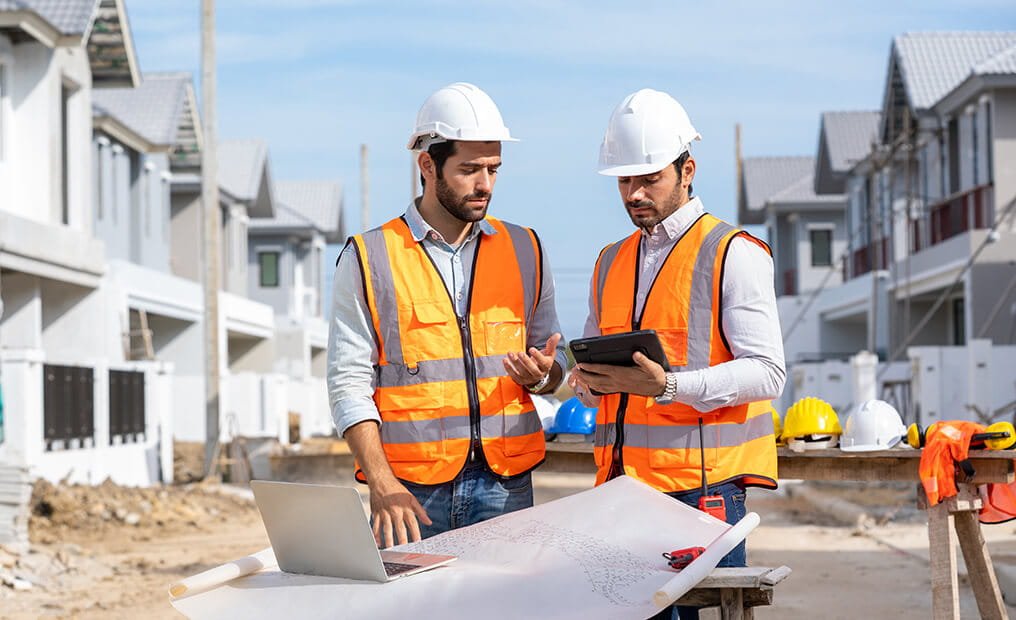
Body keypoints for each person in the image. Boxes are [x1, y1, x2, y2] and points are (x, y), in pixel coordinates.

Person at [569, 89, 785, 620]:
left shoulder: (733, 252)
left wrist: (668, 387)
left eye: (650, 178)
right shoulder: (609, 261)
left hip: (700, 495)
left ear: (687, 170)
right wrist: (587, 381)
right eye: (625, 180)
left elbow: (767, 373)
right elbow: (602, 381)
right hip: (620, 491)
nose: (635, 193)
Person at [328, 82, 566, 549]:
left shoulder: (526, 249)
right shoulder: (369, 256)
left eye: (493, 169)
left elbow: (552, 362)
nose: (485, 185)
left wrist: (543, 375)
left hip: (506, 486)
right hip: (410, 494)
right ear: (427, 165)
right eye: (469, 170)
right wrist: (381, 482)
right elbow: (347, 382)